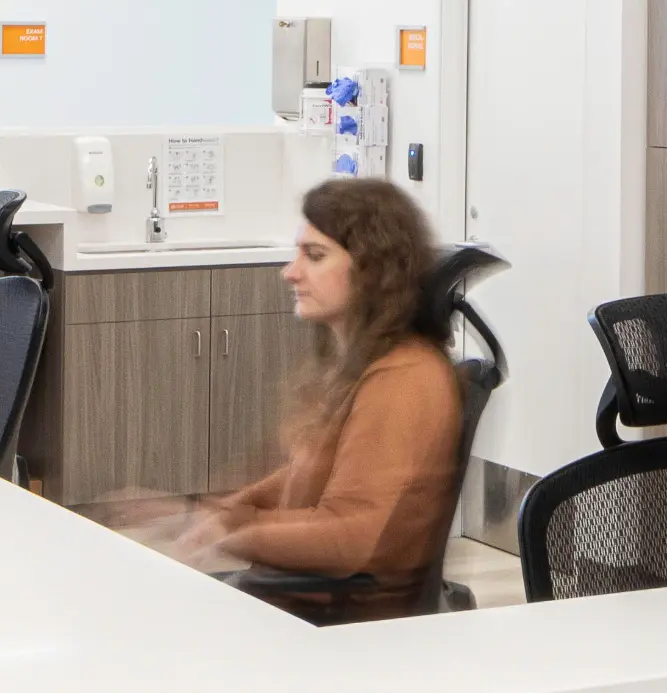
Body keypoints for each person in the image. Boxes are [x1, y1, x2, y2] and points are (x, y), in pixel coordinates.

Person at [174, 178, 462, 603]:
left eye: (315, 256)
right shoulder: (368, 364)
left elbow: (348, 538)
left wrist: (234, 531)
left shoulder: (406, 380)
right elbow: (311, 470)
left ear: (373, 269)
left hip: (340, 629)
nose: (290, 272)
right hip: (301, 600)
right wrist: (220, 514)